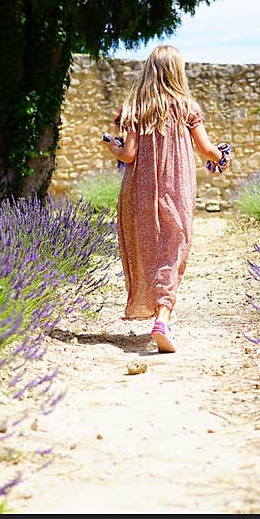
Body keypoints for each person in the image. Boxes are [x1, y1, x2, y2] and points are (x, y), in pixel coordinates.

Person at [103, 45, 232, 353]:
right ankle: (163, 315)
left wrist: (112, 146)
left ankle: (153, 305)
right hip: (177, 185)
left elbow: (129, 153)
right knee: (174, 246)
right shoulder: (186, 106)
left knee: (147, 246)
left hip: (138, 189)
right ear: (177, 71)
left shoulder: (136, 107)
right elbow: (206, 150)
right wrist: (222, 157)